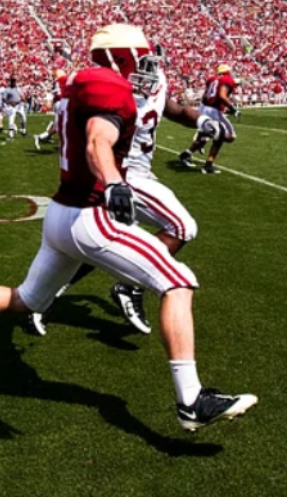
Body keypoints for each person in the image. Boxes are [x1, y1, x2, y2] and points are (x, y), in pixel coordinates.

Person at [0, 23, 257, 433]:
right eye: (138, 60)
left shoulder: (84, 84)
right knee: (179, 282)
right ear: (117, 57)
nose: (146, 68)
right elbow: (96, 142)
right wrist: (114, 183)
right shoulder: (111, 89)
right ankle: (191, 400)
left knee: (27, 299)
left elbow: (103, 132)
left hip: (59, 214)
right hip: (89, 217)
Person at [27, 52, 221, 336]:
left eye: (149, 66)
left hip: (140, 173)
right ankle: (130, 285)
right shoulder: (108, 87)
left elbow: (174, 109)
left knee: (97, 244)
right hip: (121, 175)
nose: (145, 74)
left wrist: (201, 120)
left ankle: (42, 299)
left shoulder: (156, 83)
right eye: (137, 66)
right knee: (182, 226)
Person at [179, 63, 239, 174]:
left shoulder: (212, 79)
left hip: (204, 107)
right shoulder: (227, 80)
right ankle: (208, 164)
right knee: (229, 136)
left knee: (210, 133)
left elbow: (208, 95)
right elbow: (221, 95)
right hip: (213, 110)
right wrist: (232, 108)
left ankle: (188, 153)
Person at [34, 69, 68, 150]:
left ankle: (61, 143)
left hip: (59, 103)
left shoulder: (57, 82)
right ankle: (40, 137)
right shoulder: (60, 81)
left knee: (61, 125)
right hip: (60, 103)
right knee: (61, 125)